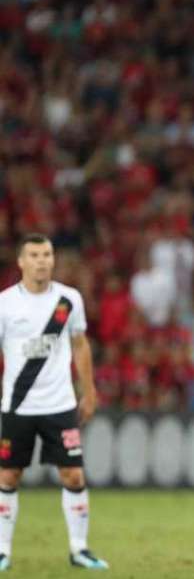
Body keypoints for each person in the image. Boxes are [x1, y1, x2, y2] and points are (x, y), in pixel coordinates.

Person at [0, 234, 109, 570]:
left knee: (74, 476)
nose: (42, 261)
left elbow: (80, 345)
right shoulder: (5, 304)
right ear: (21, 262)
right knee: (8, 477)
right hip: (18, 406)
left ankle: (79, 549)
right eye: (34, 255)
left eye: (47, 254)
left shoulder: (68, 299)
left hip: (60, 404)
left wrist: (88, 391)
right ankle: (2, 550)